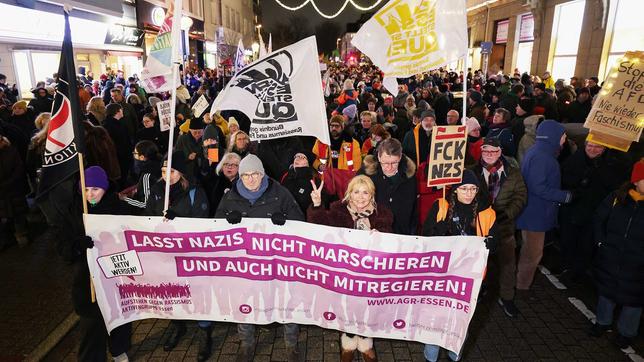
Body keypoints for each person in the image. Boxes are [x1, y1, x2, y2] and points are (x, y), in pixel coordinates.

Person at [215, 154, 303, 362]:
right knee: (243, 301)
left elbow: (300, 221)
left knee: (286, 301)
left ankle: (291, 344)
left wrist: (287, 221)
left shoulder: (280, 193)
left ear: (262, 174)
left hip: (277, 262)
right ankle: (246, 344)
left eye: (255, 174)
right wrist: (227, 222)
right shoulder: (230, 196)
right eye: (246, 175)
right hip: (246, 264)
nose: (251, 179)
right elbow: (216, 227)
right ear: (240, 176)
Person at [308, 175, 392, 362]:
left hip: (370, 275)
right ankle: (348, 342)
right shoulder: (338, 211)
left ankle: (365, 343)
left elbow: (391, 244)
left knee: (367, 308)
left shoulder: (382, 215)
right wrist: (316, 205)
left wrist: (382, 238)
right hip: (344, 273)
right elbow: (319, 225)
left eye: (365, 192)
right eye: (356, 192)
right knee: (346, 308)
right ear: (349, 194)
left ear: (372, 195)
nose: (361, 197)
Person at [421, 170, 496, 361]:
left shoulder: (487, 212)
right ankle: (431, 357)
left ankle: (455, 355)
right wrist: (436, 231)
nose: (469, 193)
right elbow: (425, 239)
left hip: (470, 279)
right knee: (436, 320)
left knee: (461, 322)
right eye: (464, 189)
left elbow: (496, 241)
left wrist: (492, 243)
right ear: (454, 190)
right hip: (441, 276)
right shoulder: (441, 206)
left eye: (473, 189)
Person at [145, 152, 211, 360]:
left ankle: (204, 331)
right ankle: (178, 325)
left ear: (181, 172)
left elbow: (203, 222)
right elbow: (146, 218)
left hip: (190, 253)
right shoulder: (156, 191)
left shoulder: (194, 192)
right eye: (164, 171)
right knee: (171, 291)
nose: (167, 175)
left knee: (197, 292)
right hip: (165, 253)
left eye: (171, 171)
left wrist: (178, 220)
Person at [72, 166, 132, 361]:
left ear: (105, 189)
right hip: (87, 278)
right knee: (92, 323)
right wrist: (77, 246)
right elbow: (63, 248)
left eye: (95, 189)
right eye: (86, 189)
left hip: (115, 273)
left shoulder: (119, 208)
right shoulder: (73, 211)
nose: (90, 194)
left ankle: (119, 348)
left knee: (119, 313)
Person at [589, 160, 644, 349]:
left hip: (637, 264)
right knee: (607, 292)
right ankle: (602, 323)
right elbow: (599, 218)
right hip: (611, 257)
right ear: (636, 181)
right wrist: (600, 242)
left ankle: (626, 332)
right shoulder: (616, 198)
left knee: (634, 300)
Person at [472, 138, 527, 317]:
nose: (489, 155)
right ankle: (477, 294)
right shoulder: (472, 172)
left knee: (507, 265)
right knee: (478, 265)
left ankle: (507, 298)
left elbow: (520, 196)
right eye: (486, 151)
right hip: (479, 230)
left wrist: (507, 214)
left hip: (504, 228)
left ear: (500, 152)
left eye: (493, 151)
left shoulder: (513, 173)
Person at [515, 120, 572, 291]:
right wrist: (564, 196)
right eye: (563, 135)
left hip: (534, 211)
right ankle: (522, 286)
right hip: (535, 214)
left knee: (529, 251)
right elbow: (537, 186)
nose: (564, 139)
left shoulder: (538, 151)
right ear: (553, 136)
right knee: (532, 253)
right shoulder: (542, 156)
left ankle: (520, 282)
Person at [558, 142, 627, 282]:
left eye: (597, 147)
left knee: (586, 244)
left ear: (604, 148)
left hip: (594, 212)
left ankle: (578, 271)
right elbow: (563, 180)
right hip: (572, 209)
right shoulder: (575, 159)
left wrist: (599, 169)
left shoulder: (611, 164)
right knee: (568, 239)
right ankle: (566, 266)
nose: (592, 149)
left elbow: (614, 186)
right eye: (590, 145)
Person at [361, 138, 417, 235]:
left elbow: (412, 210)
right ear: (379, 157)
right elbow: (354, 201)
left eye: (394, 163)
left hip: (400, 234)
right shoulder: (366, 172)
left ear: (400, 157)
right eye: (385, 163)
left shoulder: (409, 176)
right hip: (371, 232)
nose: (389, 167)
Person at [0, 132, 29, 249]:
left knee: (18, 213)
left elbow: (19, 168)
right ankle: (5, 238)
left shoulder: (12, 151)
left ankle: (21, 234)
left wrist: (9, 183)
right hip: (2, 192)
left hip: (14, 189)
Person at [121, 141, 162, 212]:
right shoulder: (159, 167)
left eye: (135, 153)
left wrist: (125, 199)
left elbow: (146, 204)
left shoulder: (147, 175)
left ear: (142, 157)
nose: (133, 155)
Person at [103, 103, 132, 189]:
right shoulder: (118, 126)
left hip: (114, 156)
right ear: (118, 111)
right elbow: (123, 142)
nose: (122, 111)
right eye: (121, 110)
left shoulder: (106, 124)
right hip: (120, 156)